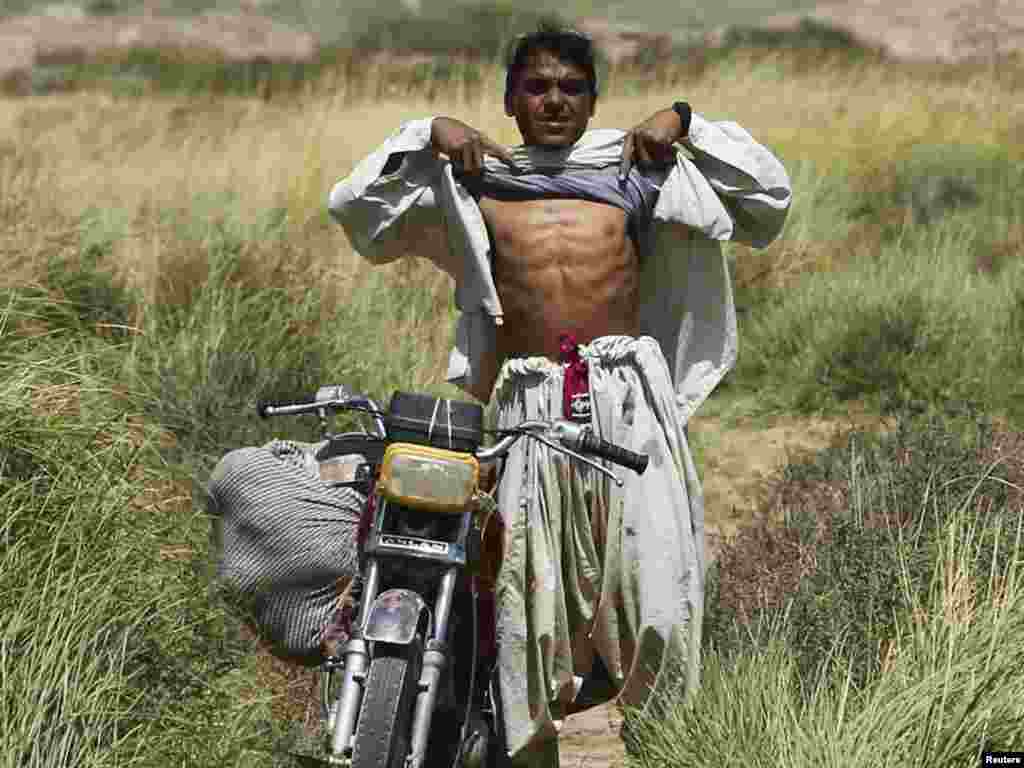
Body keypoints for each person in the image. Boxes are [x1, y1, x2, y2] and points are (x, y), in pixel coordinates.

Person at [328, 22, 791, 767]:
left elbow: (769, 202)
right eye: (537, 86)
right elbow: (358, 214)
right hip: (526, 409)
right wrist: (425, 131)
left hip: (629, 402)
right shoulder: (477, 177)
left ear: (593, 98)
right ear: (510, 99)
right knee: (522, 608)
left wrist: (688, 120)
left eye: (571, 88)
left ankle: (670, 747)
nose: (554, 101)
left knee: (658, 595)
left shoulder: (638, 170)